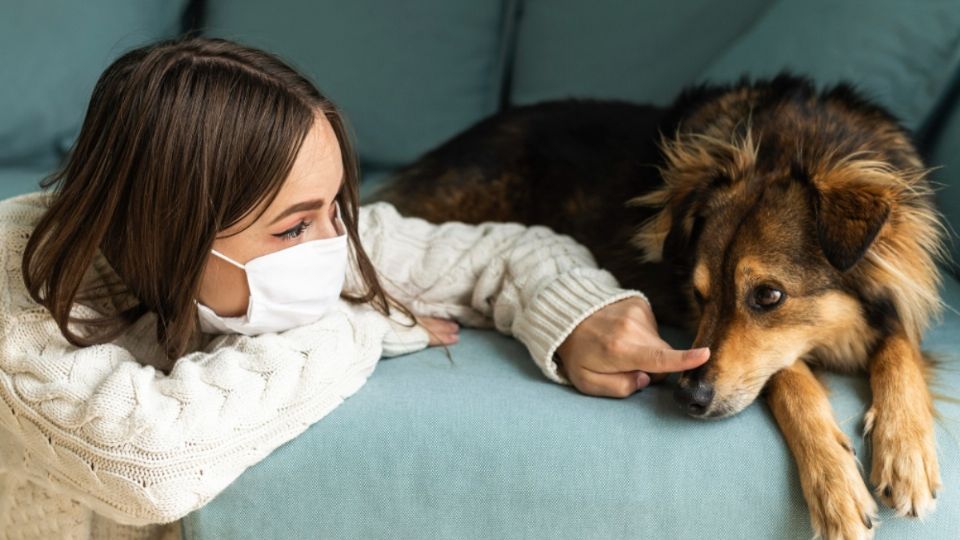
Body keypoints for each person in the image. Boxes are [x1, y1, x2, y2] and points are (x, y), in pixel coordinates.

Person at [0, 36, 709, 539]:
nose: (333, 246)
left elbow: (504, 252)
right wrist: (365, 325)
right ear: (169, 231)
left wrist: (587, 314)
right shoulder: (21, 298)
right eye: (292, 228)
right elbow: (146, 459)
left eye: (335, 205)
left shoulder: (312, 236)